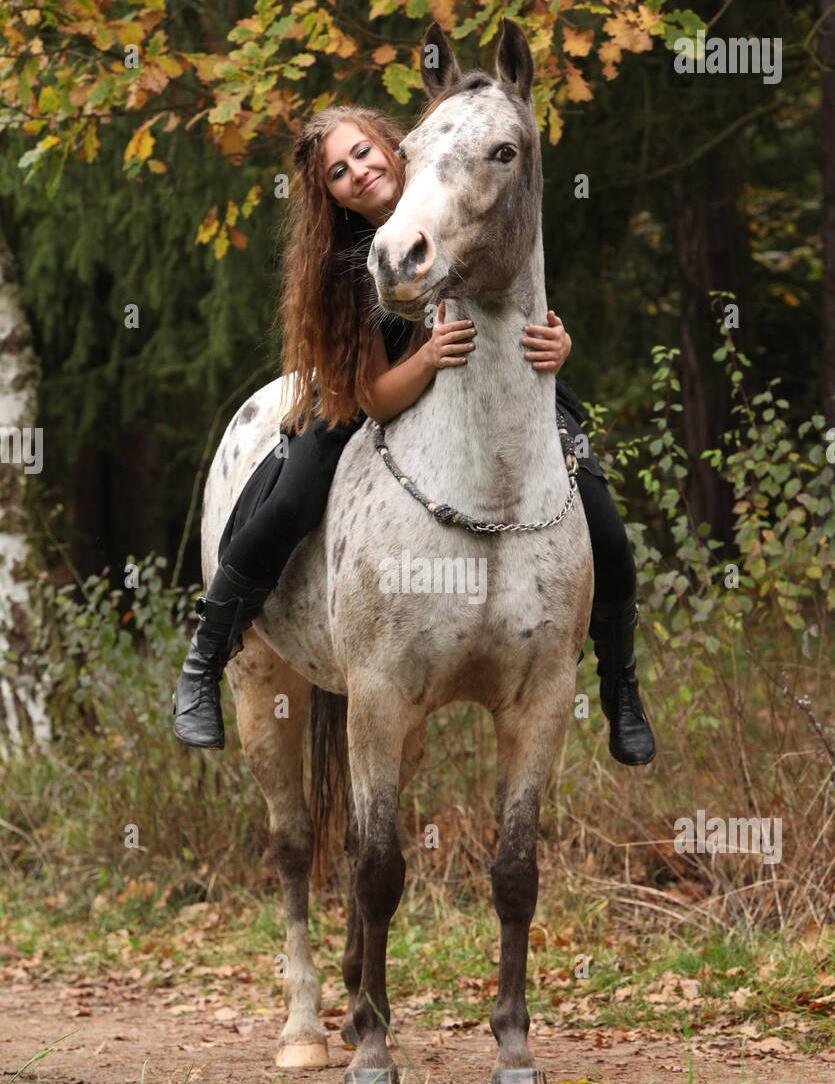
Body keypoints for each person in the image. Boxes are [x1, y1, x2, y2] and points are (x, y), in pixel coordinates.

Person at [172, 105, 655, 766]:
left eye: (364, 153)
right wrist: (426, 357)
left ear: (392, 145)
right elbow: (372, 395)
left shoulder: (461, 199)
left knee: (599, 511)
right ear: (330, 194)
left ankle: (620, 682)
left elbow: (521, 299)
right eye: (338, 173)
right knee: (290, 498)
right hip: (362, 395)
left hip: (489, 389)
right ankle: (206, 656)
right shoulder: (344, 258)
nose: (358, 173)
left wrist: (555, 341)